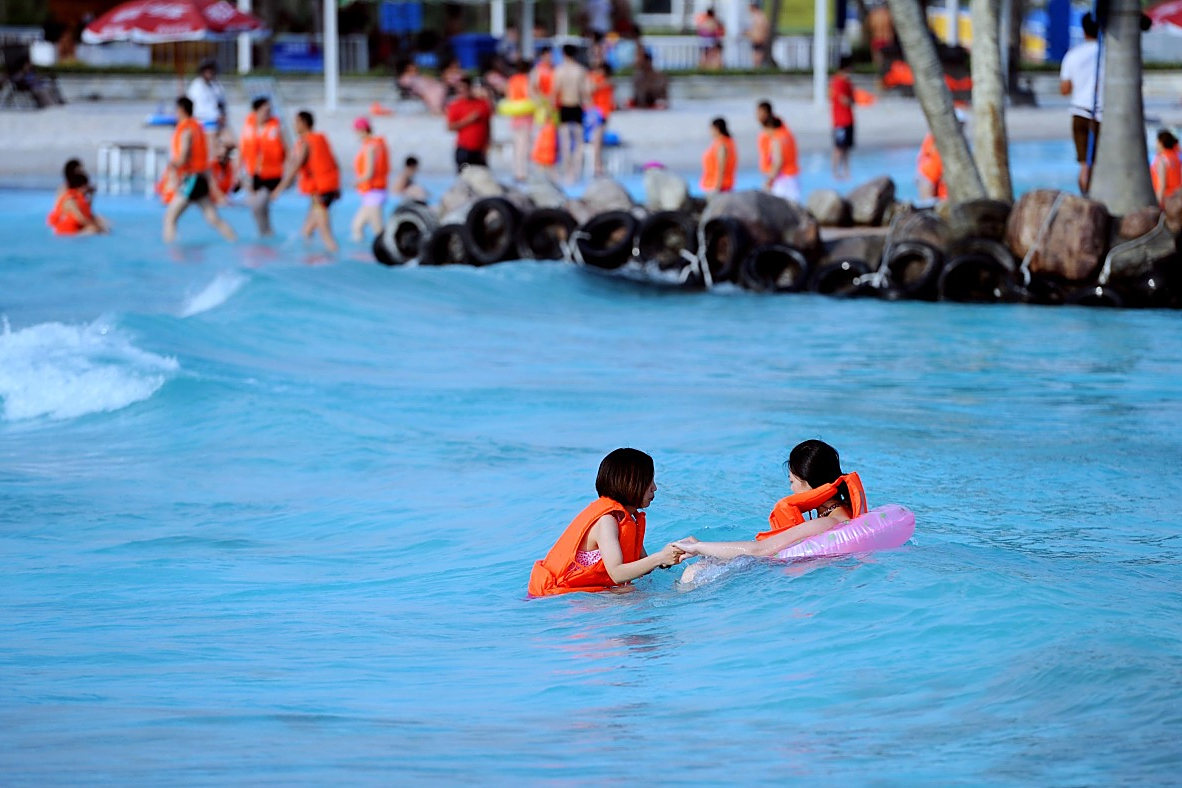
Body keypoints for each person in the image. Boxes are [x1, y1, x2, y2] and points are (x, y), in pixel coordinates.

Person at [674, 440, 868, 584]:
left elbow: (759, 550)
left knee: (693, 572)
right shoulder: (846, 513)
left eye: (792, 482)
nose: (791, 489)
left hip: (770, 571)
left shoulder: (826, 524)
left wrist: (698, 547)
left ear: (808, 484)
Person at [527, 448, 687, 597]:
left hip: (579, 593)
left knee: (635, 592)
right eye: (649, 481)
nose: (655, 488)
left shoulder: (627, 518)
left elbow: (644, 568)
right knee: (631, 594)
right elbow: (617, 574)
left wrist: (672, 556)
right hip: (555, 596)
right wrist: (660, 557)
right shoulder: (607, 521)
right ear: (629, 484)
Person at [163, 97, 236, 243]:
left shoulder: (186, 130)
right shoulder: (198, 127)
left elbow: (184, 156)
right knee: (213, 218)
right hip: (201, 178)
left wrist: (173, 167)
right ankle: (234, 240)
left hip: (191, 179)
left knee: (170, 218)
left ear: (181, 110)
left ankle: (171, 249)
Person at [271, 110, 341, 254]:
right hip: (327, 189)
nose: (294, 125)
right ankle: (310, 259)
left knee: (326, 236)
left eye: (296, 122)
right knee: (306, 231)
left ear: (303, 123)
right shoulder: (320, 139)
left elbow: (296, 166)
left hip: (320, 193)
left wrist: (278, 189)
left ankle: (336, 262)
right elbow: (335, 163)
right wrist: (337, 187)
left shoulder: (306, 143)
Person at [1059, 12, 1104, 195]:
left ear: (1084, 31)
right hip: (1102, 113)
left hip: (1079, 112)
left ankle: (1085, 197)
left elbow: (1064, 89)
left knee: (1084, 164)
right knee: (1100, 162)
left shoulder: (1073, 55)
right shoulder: (1108, 54)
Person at [239, 96, 286, 237]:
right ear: (256, 111)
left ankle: (265, 233)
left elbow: (287, 150)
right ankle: (266, 233)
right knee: (259, 207)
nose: (268, 113)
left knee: (259, 204)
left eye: (269, 110)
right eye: (265, 110)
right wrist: (238, 172)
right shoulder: (248, 126)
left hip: (272, 175)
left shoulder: (276, 127)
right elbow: (242, 150)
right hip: (254, 174)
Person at [348, 117, 391, 242]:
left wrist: (355, 182)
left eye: (356, 131)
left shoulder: (370, 147)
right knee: (357, 227)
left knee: (378, 230)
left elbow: (369, 173)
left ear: (362, 130)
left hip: (374, 193)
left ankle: (389, 250)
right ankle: (361, 252)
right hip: (374, 193)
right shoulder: (377, 144)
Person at [553, 44, 591, 183]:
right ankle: (576, 171)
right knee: (579, 141)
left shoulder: (559, 70)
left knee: (565, 141)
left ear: (563, 54)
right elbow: (586, 91)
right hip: (577, 106)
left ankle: (567, 171)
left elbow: (555, 91)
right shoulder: (580, 70)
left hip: (564, 106)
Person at [47, 158, 107, 235]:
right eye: (79, 170)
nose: (82, 171)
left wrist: (91, 195)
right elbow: (79, 216)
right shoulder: (66, 191)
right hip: (65, 224)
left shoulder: (79, 193)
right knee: (95, 228)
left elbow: (86, 210)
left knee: (102, 221)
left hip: (74, 221)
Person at [756, 101, 800, 202]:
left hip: (783, 179)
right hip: (791, 177)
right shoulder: (785, 133)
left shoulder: (776, 139)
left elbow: (778, 161)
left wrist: (769, 181)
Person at [446, 77, 493, 172]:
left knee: (482, 176)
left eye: (465, 88)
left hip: (480, 149)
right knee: (465, 176)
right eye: (460, 89)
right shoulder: (455, 106)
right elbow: (450, 127)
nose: (462, 91)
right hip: (464, 149)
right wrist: (468, 120)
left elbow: (488, 125)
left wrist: (488, 143)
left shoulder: (483, 104)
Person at [505, 61, 534, 181]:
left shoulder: (512, 80)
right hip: (525, 115)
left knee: (517, 145)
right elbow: (529, 95)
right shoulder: (527, 80)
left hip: (515, 115)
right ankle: (523, 172)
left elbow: (509, 96)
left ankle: (517, 171)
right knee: (525, 145)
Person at [830, 55, 855, 179]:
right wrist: (852, 100)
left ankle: (845, 170)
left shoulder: (847, 82)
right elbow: (843, 99)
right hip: (840, 120)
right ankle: (835, 172)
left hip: (848, 119)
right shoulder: (838, 81)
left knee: (846, 148)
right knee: (839, 148)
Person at [588, 62, 616, 177]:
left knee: (599, 140)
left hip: (605, 112)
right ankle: (597, 166)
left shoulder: (606, 80)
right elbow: (590, 89)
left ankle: (599, 164)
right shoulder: (594, 78)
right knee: (597, 140)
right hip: (597, 112)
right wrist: (603, 84)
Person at [700, 117, 737, 195]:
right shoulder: (725, 142)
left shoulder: (722, 145)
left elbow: (721, 169)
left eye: (711, 129)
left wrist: (717, 187)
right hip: (718, 185)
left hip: (718, 186)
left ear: (716, 129)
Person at [186, 59, 226, 127]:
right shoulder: (196, 86)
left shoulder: (216, 86)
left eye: (212, 70)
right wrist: (216, 116)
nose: (210, 73)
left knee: (228, 132)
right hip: (201, 122)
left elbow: (221, 103)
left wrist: (222, 115)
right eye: (208, 71)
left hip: (216, 122)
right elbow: (198, 109)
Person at [1151, 130, 1180, 208]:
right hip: (1177, 199)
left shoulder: (1162, 160)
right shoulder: (1176, 158)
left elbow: (1162, 185)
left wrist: (1157, 204)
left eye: (1157, 142)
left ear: (1161, 143)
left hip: (1166, 200)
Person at [746, 1, 771, 68]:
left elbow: (762, 29)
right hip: (757, 40)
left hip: (759, 41)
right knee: (756, 60)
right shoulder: (757, 16)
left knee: (757, 60)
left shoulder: (759, 17)